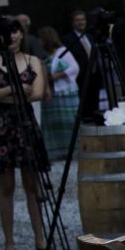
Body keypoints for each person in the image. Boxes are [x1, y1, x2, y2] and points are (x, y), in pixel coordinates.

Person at [0, 19, 49, 250]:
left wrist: (4, 94)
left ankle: (40, 237)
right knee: (6, 186)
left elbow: (37, 93)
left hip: (25, 125)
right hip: (0, 128)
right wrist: (14, 89)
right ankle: (9, 242)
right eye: (9, 33)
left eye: (16, 31)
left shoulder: (32, 60)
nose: (13, 37)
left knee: (32, 184)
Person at [38, 26, 80, 158]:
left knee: (68, 122)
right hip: (52, 93)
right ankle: (56, 150)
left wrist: (56, 76)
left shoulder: (63, 51)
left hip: (65, 92)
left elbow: (74, 68)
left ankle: (72, 150)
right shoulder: (44, 55)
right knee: (53, 123)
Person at [61, 9, 96, 119]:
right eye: (78, 20)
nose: (81, 22)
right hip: (80, 77)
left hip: (94, 76)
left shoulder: (90, 37)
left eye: (83, 19)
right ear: (73, 23)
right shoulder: (68, 39)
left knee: (94, 101)